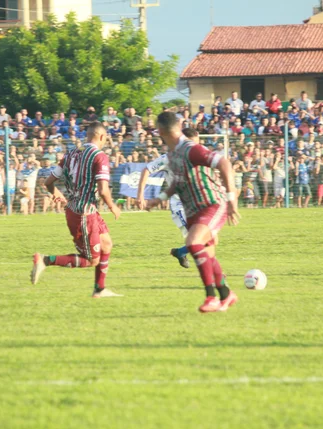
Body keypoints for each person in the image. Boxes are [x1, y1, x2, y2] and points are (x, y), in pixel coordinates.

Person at [146, 112, 241, 313]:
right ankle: (226, 294)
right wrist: (159, 199)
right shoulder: (172, 155)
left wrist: (232, 200)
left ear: (161, 131)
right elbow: (175, 184)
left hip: (212, 204)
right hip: (192, 210)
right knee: (208, 255)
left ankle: (211, 297)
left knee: (193, 242)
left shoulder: (190, 149)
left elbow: (223, 163)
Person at [31, 122, 123, 298]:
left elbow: (48, 182)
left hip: (82, 210)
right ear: (102, 137)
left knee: (106, 244)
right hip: (83, 214)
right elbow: (103, 189)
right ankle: (45, 260)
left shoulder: (71, 154)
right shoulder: (99, 156)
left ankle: (99, 289)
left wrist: (56, 193)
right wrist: (113, 207)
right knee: (92, 260)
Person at [136, 131, 200, 269]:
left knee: (207, 238)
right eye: (193, 143)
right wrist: (140, 195)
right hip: (180, 205)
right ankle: (215, 273)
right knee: (198, 239)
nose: (196, 146)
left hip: (196, 204)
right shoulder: (168, 158)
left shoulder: (197, 157)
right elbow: (146, 170)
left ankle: (180, 252)